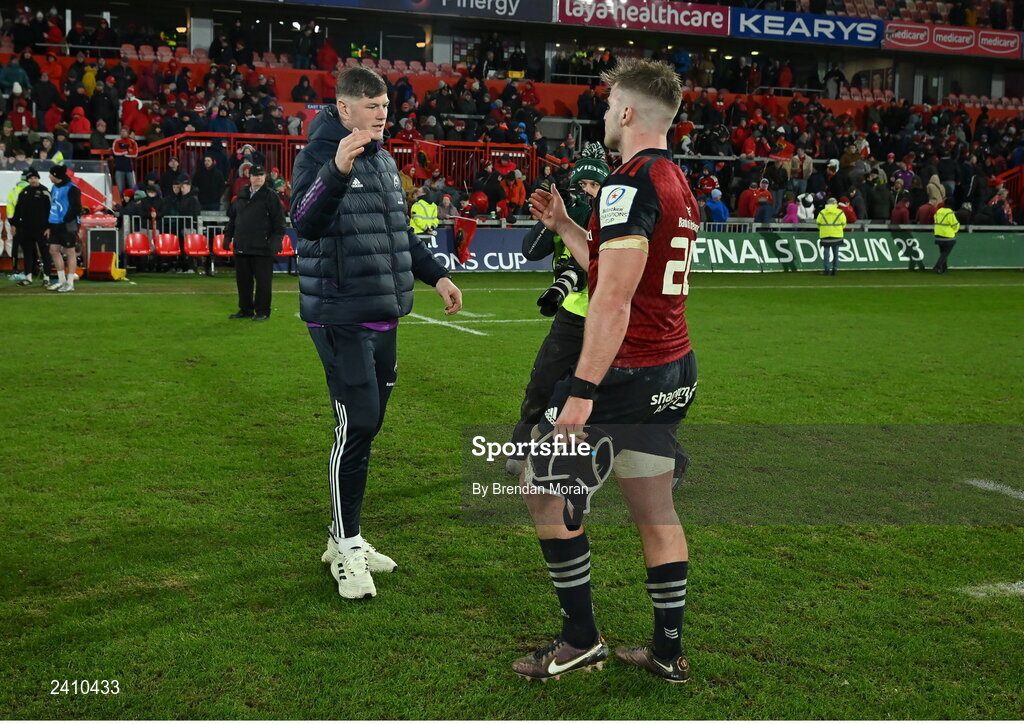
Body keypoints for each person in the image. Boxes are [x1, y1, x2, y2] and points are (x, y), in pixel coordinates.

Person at [517, 59, 699, 683]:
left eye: (607, 105)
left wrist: (580, 394)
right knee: (654, 511)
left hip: (625, 375)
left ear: (626, 111)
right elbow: (622, 273)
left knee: (541, 491)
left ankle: (580, 638)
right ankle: (667, 652)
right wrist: (568, 226)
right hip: (674, 368)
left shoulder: (628, 182)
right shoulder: (676, 178)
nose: (603, 115)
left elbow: (614, 298)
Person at [290, 67, 463, 600]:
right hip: (340, 313)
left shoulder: (385, 161)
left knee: (368, 426)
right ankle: (345, 545)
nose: (382, 115)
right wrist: (337, 170)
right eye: (371, 107)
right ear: (343, 110)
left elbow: (399, 236)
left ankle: (346, 536)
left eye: (385, 106)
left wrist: (437, 274)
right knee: (357, 423)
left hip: (384, 312)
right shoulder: (318, 157)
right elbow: (302, 222)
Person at [507, 142, 608, 475]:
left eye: (595, 186)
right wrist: (550, 221)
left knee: (600, 393)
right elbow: (531, 251)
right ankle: (522, 444)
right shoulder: (566, 215)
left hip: (608, 319)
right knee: (542, 383)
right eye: (582, 185)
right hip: (571, 316)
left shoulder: (612, 218)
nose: (588, 192)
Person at [224, 166, 286, 320]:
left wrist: (276, 240)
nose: (258, 178)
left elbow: (279, 221)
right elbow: (234, 218)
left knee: (263, 282)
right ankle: (245, 310)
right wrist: (227, 236)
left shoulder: (271, 196)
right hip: (242, 245)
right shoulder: (242, 195)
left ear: (264, 177)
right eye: (255, 175)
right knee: (243, 282)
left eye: (261, 175)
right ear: (249, 177)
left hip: (262, 247)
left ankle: (263, 311)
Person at [10, 168, 51, 286]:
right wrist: (14, 224)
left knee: (44, 252)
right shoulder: (24, 192)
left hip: (41, 228)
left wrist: (49, 227)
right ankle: (28, 277)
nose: (32, 180)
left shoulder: (44, 192)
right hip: (26, 228)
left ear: (38, 178)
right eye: (30, 178)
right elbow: (18, 210)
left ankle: (46, 277)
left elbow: (50, 210)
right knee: (27, 252)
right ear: (28, 180)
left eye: (34, 178)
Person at [44, 165, 82, 292]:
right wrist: (49, 225)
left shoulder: (72, 188)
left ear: (56, 175)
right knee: (53, 250)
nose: (49, 176)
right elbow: (52, 205)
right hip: (54, 223)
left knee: (69, 251)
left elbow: (76, 207)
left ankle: (70, 283)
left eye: (51, 174)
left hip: (67, 224)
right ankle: (61, 281)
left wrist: (65, 219)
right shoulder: (54, 187)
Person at [816, 196, 846, 276]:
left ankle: (826, 270)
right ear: (835, 203)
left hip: (825, 235)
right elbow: (844, 223)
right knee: (836, 252)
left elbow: (818, 223)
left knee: (826, 253)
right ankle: (835, 269)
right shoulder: (840, 212)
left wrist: (823, 229)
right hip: (837, 235)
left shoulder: (822, 212)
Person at [933, 196, 961, 274]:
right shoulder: (950, 212)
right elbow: (955, 224)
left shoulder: (938, 211)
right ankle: (937, 266)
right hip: (948, 236)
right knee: (945, 253)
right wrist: (955, 231)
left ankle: (943, 269)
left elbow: (935, 219)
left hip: (938, 235)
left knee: (943, 252)